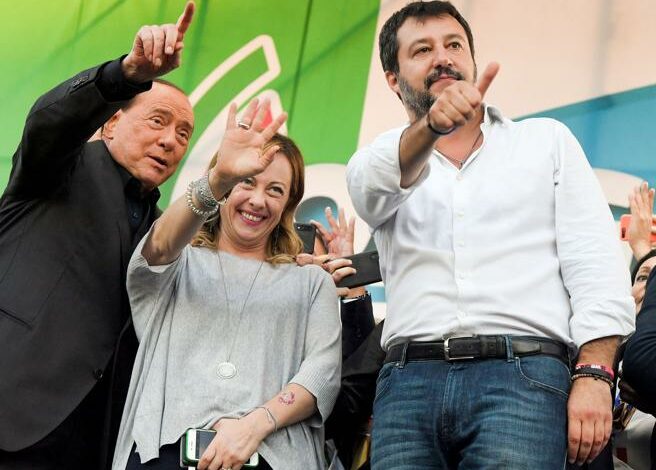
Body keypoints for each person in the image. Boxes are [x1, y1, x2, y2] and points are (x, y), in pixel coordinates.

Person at [346, 1, 635, 468]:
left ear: (472, 60)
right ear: (393, 79)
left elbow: (596, 266)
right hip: (407, 385)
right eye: (422, 49)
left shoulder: (546, 142)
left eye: (454, 44)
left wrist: (595, 375)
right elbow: (372, 191)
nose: (443, 57)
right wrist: (433, 127)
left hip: (523, 377)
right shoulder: (380, 158)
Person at [0, 4, 196, 469]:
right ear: (110, 123)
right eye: (157, 120)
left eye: (184, 132)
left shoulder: (166, 231)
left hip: (88, 440)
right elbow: (50, 123)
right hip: (12, 406)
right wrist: (124, 75)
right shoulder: (60, 167)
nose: (171, 139)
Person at [111, 100, 341, 470]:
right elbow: (159, 247)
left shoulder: (311, 283)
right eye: (245, 181)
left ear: (288, 205)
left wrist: (253, 426)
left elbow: (321, 376)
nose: (256, 199)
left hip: (273, 456)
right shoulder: (179, 263)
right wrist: (217, 180)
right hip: (164, 453)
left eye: (275, 190)